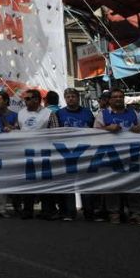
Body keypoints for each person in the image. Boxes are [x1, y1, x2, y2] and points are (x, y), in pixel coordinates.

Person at [94, 88, 140, 225]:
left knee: (135, 183)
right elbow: (93, 133)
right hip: (112, 156)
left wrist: (139, 129)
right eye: (115, 97)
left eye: (120, 96)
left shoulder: (134, 113)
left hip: (133, 155)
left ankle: (135, 213)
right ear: (110, 100)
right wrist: (107, 129)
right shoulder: (103, 114)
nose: (118, 99)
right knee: (113, 185)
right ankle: (114, 213)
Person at [48, 88, 96, 222]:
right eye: (68, 97)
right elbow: (54, 133)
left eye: (73, 96)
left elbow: (95, 130)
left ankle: (89, 212)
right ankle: (70, 212)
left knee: (86, 183)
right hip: (66, 153)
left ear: (78, 97)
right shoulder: (58, 113)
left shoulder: (88, 112)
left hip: (85, 152)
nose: (71, 99)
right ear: (65, 98)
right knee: (68, 183)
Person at [17, 89, 52, 219]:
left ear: (37, 99)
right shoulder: (20, 114)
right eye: (25, 99)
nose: (25, 101)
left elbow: (56, 132)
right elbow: (18, 129)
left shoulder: (49, 113)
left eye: (28, 99)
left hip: (44, 152)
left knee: (45, 182)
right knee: (28, 182)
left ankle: (47, 211)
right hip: (27, 152)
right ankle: (27, 210)